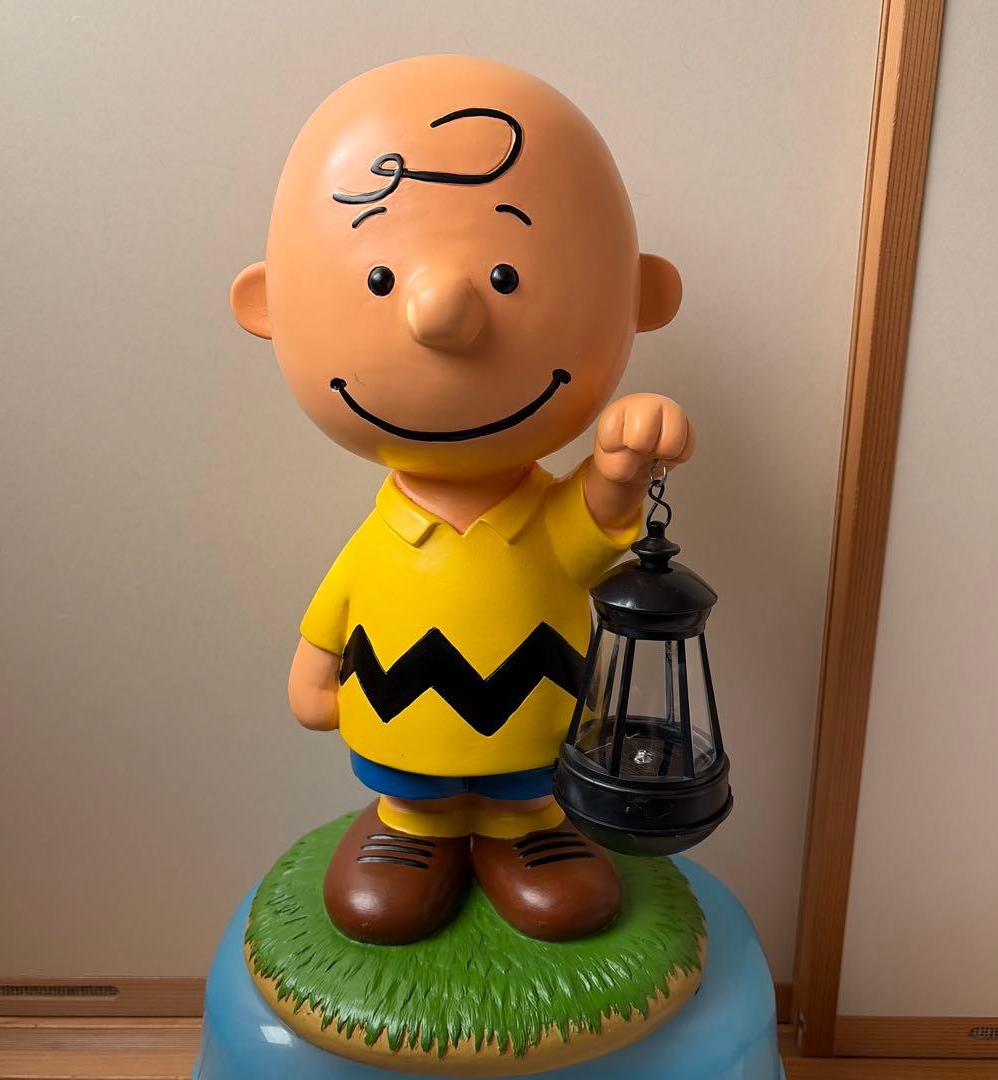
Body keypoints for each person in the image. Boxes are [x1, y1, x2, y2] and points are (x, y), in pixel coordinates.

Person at [230, 54, 693, 945]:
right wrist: (316, 666)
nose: (440, 314)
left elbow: (596, 522)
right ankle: (413, 829)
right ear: (268, 305)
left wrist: (623, 465)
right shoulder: (382, 536)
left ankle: (525, 832)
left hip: (536, 745)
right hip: (403, 744)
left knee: (533, 798)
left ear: (640, 295)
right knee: (408, 809)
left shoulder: (544, 519)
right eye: (379, 279)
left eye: (506, 276)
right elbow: (341, 603)